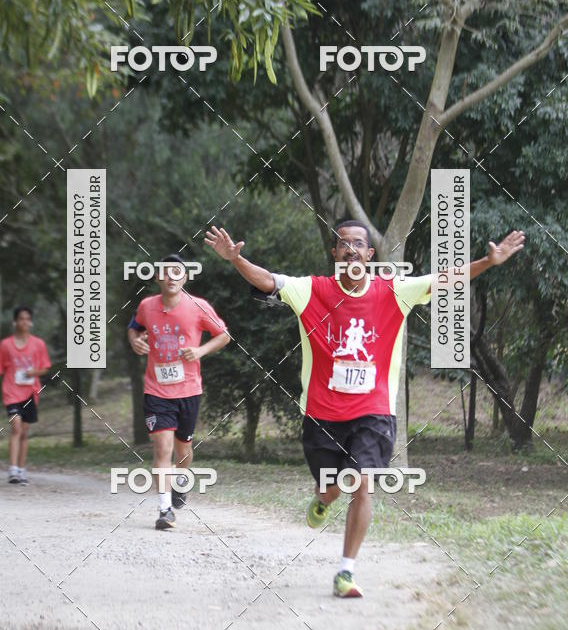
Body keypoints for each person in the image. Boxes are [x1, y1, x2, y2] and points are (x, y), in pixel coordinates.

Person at [204, 221, 525, 597]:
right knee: (331, 487)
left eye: (359, 243)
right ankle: (323, 500)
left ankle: (346, 571)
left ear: (370, 255)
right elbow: (268, 281)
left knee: (360, 483)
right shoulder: (312, 290)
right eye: (344, 244)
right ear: (335, 253)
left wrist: (488, 261)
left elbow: (444, 278)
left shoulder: (393, 290)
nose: (352, 249)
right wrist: (236, 259)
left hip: (373, 411)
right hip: (322, 414)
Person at [128, 254, 230, 530]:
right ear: (158, 278)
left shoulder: (198, 307)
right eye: (166, 272)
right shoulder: (147, 306)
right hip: (156, 389)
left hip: (188, 390)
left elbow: (223, 335)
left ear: (184, 278)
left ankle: (181, 483)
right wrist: (136, 341)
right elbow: (134, 328)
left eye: (177, 272)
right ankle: (164, 510)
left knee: (183, 450)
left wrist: (200, 351)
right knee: (163, 448)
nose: (171, 277)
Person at [0, 306, 52, 485]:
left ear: (30, 322)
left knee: (24, 432)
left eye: (27, 319)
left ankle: (22, 469)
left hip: (31, 392)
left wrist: (34, 373)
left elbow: (46, 368)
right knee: (15, 426)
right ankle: (13, 469)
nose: (24, 322)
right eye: (21, 319)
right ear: (14, 322)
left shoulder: (38, 344)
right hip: (11, 392)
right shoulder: (5, 345)